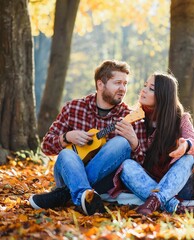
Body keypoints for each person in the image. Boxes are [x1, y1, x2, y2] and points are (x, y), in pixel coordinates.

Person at [29, 60, 145, 215]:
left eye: (125, 84)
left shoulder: (129, 116)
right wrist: (67, 137)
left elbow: (143, 163)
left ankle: (66, 194)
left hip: (105, 182)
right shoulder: (74, 108)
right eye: (117, 83)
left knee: (121, 143)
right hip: (67, 172)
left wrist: (134, 142)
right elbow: (46, 147)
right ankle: (81, 193)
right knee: (66, 154)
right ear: (100, 84)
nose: (123, 89)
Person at [107, 72, 194, 216]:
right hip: (150, 184)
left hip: (180, 186)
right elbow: (139, 166)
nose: (143, 90)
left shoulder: (181, 119)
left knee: (189, 158)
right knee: (126, 166)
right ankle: (173, 206)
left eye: (151, 88)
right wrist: (135, 144)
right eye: (145, 86)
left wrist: (185, 145)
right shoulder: (134, 118)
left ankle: (156, 201)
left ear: (163, 95)